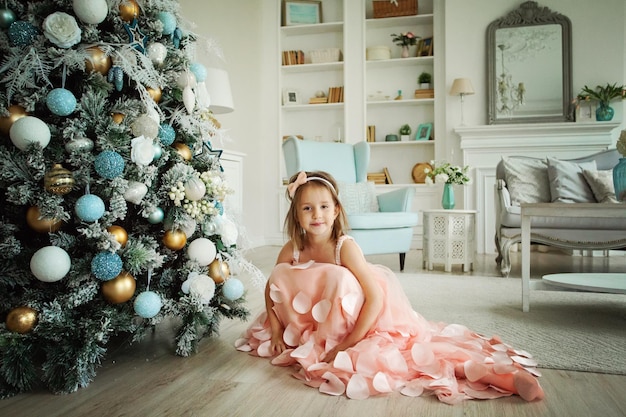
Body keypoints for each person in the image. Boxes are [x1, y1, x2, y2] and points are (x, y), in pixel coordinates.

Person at [236, 170, 544, 404]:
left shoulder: (344, 247)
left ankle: (505, 378)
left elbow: (375, 297)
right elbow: (272, 288)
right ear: (296, 215)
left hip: (364, 321)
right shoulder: (294, 248)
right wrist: (277, 331)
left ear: (336, 211)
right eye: (307, 209)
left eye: (323, 207)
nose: (316, 215)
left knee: (412, 358)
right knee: (283, 272)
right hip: (321, 322)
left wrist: (347, 345)